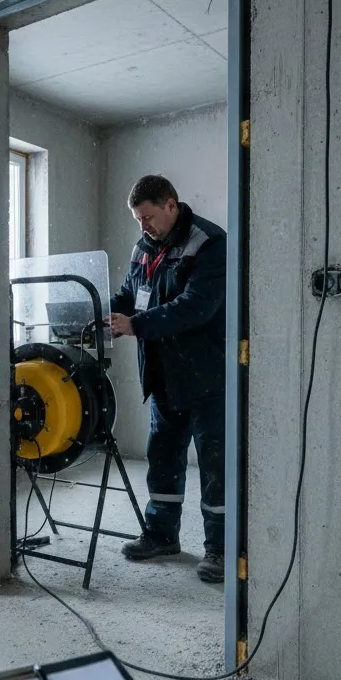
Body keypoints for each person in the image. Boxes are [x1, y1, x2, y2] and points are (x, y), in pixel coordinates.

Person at [108, 174, 226, 583]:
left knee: (216, 467)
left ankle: (222, 550)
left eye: (149, 217)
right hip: (162, 377)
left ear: (171, 205)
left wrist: (135, 325)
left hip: (206, 377)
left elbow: (194, 308)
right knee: (162, 460)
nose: (144, 227)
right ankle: (161, 535)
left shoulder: (209, 243)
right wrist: (104, 313)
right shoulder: (144, 248)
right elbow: (128, 293)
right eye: (138, 220)